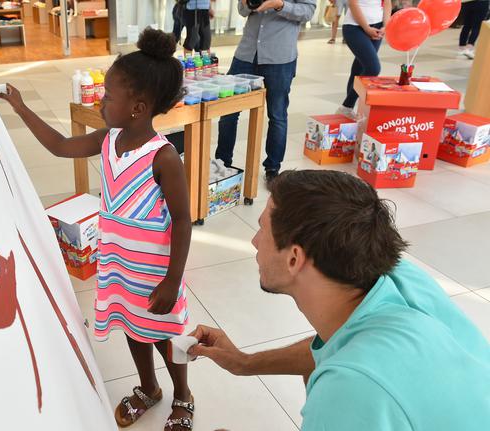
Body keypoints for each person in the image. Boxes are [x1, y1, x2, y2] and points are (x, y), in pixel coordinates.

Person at [0, 29, 196, 431]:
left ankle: (183, 394)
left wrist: (172, 280)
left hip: (154, 272)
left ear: (138, 108)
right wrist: (20, 107)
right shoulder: (108, 139)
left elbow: (181, 220)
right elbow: (58, 144)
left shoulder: (164, 157)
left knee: (165, 335)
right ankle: (148, 388)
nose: (102, 101)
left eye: (109, 95)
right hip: (120, 264)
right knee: (132, 327)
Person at [187, 170, 490, 430]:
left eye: (262, 228)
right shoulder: (397, 278)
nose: (254, 241)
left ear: (294, 258)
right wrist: (245, 363)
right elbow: (334, 349)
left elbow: (354, 376)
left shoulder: (350, 390)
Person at [215, 0, 316, 183]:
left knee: (277, 115)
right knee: (228, 111)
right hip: (246, 53)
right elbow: (242, 9)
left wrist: (278, 4)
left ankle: (272, 168)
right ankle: (222, 163)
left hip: (280, 57)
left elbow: (308, 12)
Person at [336, 0, 391, 118]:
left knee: (359, 68)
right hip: (355, 27)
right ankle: (346, 106)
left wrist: (386, 25)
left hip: (377, 25)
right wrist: (366, 28)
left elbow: (387, 3)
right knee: (373, 68)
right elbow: (353, 4)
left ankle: (348, 110)